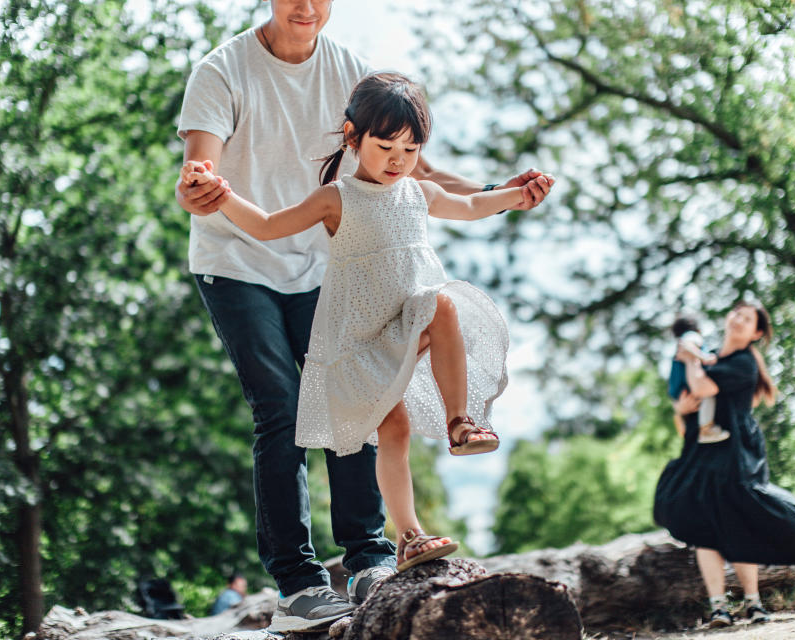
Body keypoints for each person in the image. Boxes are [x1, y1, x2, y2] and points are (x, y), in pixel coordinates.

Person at [175, 1, 551, 632]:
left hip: (328, 264)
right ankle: (298, 585)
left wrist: (499, 193)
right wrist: (201, 188)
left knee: (360, 398)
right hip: (239, 258)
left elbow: (423, 175)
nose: (307, 5)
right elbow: (201, 166)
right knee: (281, 407)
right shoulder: (223, 70)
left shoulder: (352, 71)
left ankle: (371, 556)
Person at [654, 301, 795, 628]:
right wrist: (681, 409)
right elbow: (685, 403)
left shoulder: (743, 362)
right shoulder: (709, 354)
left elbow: (702, 386)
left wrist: (692, 357)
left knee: (740, 520)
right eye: (735, 312)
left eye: (747, 318)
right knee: (701, 526)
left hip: (735, 452)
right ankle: (719, 608)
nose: (737, 319)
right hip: (700, 450)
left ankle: (754, 604)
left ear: (757, 333)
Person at [667, 314, 727, 443]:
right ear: (698, 330)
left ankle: (692, 433)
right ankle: (706, 428)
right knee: (708, 394)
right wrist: (703, 357)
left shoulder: (678, 346)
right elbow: (688, 346)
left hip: (678, 390)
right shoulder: (691, 336)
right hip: (688, 384)